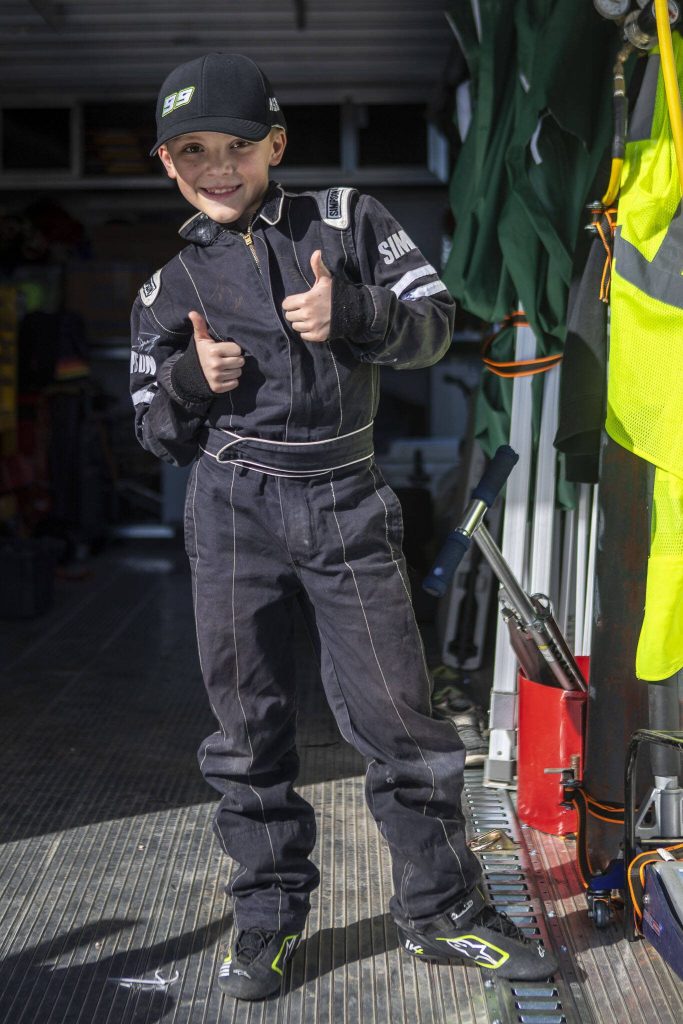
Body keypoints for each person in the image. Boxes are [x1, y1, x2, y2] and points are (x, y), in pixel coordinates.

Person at [130, 52, 557, 1002]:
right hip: (232, 510)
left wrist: (353, 311)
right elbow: (154, 428)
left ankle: (441, 916)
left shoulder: (348, 220)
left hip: (343, 500)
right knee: (247, 733)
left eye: (237, 145)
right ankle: (267, 921)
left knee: (400, 721)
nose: (217, 166)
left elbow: (440, 322)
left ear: (275, 145)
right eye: (190, 150)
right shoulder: (165, 292)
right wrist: (191, 384)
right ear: (167, 164)